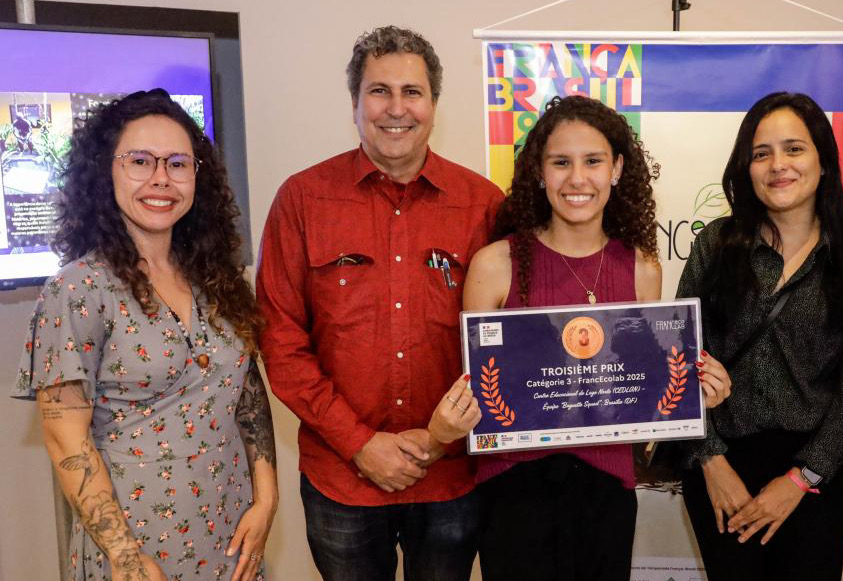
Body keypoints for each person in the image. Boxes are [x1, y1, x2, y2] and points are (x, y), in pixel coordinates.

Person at [256, 26, 499, 581]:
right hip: (342, 477)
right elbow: (281, 339)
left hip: (452, 476)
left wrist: (437, 440)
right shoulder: (303, 198)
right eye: (379, 91)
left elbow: (503, 342)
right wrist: (360, 444)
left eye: (411, 92)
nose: (396, 109)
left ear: (434, 103)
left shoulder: (483, 204)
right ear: (354, 103)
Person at [462, 94, 732, 581]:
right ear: (538, 173)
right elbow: (474, 389)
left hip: (607, 484)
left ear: (617, 168)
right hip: (512, 489)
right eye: (561, 162)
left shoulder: (642, 267)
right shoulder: (495, 263)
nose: (577, 178)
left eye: (593, 161)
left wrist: (697, 394)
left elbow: (646, 389)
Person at [12, 89, 277, 581]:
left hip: (233, 536)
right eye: (140, 161)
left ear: (199, 176)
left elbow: (246, 392)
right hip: (138, 550)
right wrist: (125, 556)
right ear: (104, 171)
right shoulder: (77, 290)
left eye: (178, 163)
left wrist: (266, 499)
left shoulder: (214, 275)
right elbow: (63, 437)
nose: (161, 178)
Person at [674, 92, 843, 581]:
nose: (778, 166)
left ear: (823, 161)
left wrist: (802, 478)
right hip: (720, 460)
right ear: (745, 167)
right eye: (761, 153)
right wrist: (710, 461)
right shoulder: (716, 245)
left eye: (794, 149)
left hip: (813, 468)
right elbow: (679, 357)